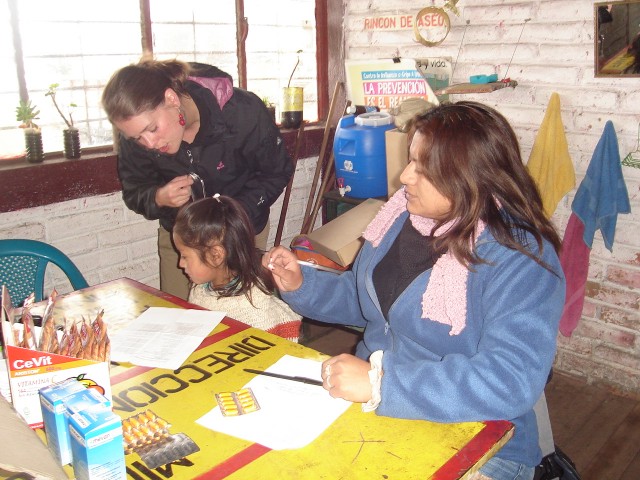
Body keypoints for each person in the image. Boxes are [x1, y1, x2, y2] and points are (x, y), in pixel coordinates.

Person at [264, 101, 565, 480]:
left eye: (423, 168)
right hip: (380, 407)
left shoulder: (519, 255)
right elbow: (370, 303)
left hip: (482, 439)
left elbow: (510, 380)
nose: (404, 177)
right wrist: (303, 282)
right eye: (410, 160)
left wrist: (382, 383)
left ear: (468, 175)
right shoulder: (400, 218)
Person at [102, 59, 294, 300]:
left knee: (243, 319)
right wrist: (159, 197)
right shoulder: (138, 141)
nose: (149, 144)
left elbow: (276, 171)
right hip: (182, 241)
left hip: (241, 233)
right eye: (137, 138)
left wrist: (233, 215)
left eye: (152, 129)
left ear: (172, 99)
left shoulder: (242, 112)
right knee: (181, 320)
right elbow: (135, 191)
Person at [173, 194, 301, 342]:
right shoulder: (200, 290)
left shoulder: (255, 314)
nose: (180, 264)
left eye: (184, 256)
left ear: (216, 256)